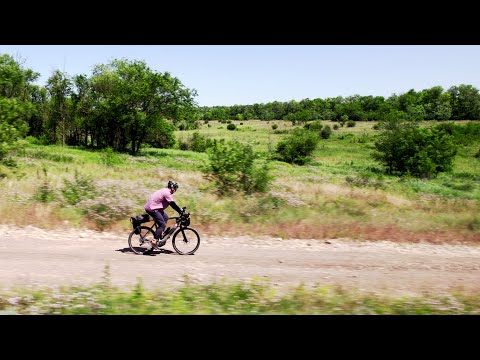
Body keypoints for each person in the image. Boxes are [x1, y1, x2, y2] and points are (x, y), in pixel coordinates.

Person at [143, 180, 183, 254]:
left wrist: (180, 210)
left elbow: (172, 203)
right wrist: (180, 211)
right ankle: (154, 241)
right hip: (152, 208)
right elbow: (172, 204)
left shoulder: (166, 191)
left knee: (165, 217)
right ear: (172, 187)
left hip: (155, 207)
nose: (175, 190)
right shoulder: (167, 193)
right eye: (175, 188)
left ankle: (159, 233)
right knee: (162, 224)